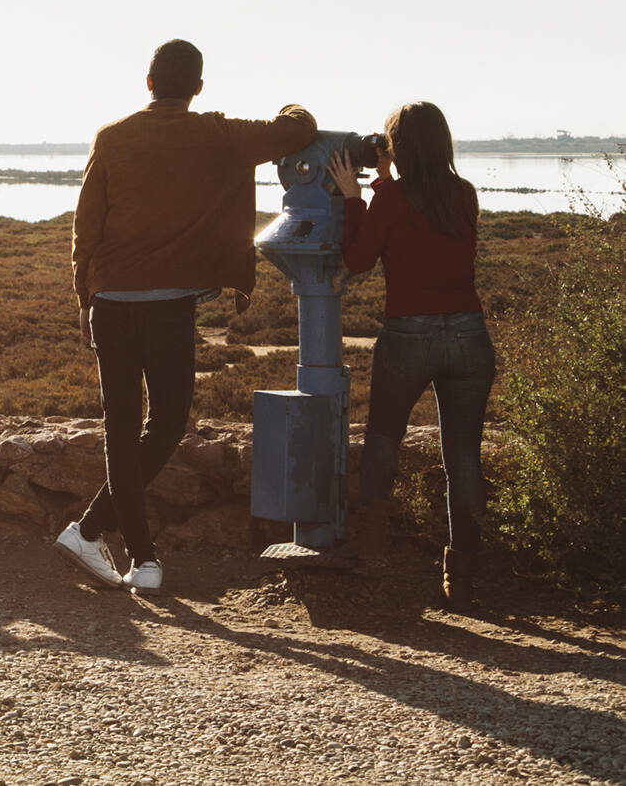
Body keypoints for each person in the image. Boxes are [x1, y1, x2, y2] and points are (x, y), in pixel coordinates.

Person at [57, 39, 316, 593]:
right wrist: (292, 107)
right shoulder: (215, 133)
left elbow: (87, 227)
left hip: (111, 306)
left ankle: (95, 534)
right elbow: (296, 129)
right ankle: (138, 557)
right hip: (169, 309)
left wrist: (84, 298)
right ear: (198, 88)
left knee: (122, 432)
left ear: (148, 82)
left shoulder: (112, 137)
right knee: (166, 425)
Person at [328, 100, 492, 607]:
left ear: (397, 148)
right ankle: (460, 578)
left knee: (382, 441)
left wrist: (358, 195)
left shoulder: (391, 199)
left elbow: (356, 260)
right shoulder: (463, 195)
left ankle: (370, 556)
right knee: (463, 459)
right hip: (469, 334)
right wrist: (384, 180)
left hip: (408, 335)